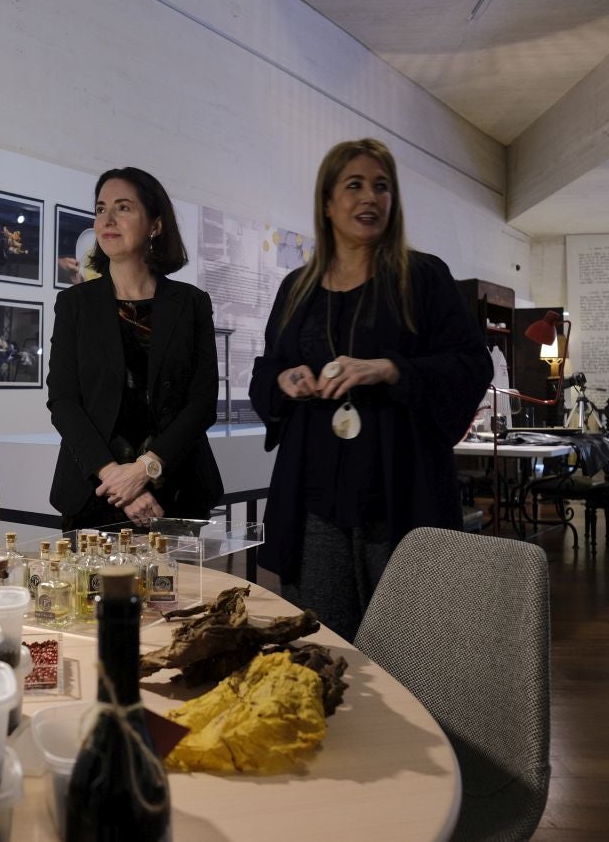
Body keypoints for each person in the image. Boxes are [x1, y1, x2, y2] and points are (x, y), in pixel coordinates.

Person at [249, 139, 492, 641]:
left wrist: (391, 369)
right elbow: (266, 372)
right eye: (354, 185)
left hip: (401, 493)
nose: (370, 198)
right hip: (315, 500)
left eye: (382, 187)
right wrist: (285, 379)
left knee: (412, 652)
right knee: (323, 648)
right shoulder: (297, 289)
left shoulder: (422, 278)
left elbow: (471, 364)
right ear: (327, 202)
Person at [47, 167, 223, 531]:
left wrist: (146, 469)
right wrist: (117, 479)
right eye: (100, 209)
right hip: (95, 493)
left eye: (123, 208)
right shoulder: (74, 304)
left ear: (155, 225)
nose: (107, 219)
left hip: (174, 493)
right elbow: (64, 401)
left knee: (179, 591)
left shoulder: (191, 303)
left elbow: (202, 402)